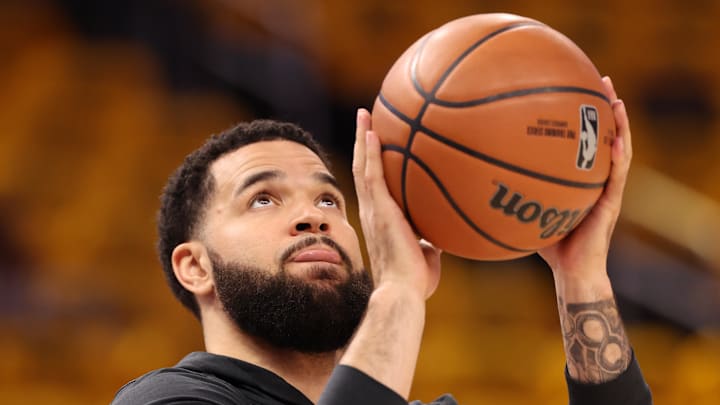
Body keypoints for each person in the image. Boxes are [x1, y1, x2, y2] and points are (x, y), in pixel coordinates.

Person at [111, 77, 652, 405]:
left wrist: (582, 278)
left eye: (329, 201)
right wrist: (397, 292)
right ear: (195, 266)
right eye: (263, 199)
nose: (312, 218)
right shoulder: (167, 400)